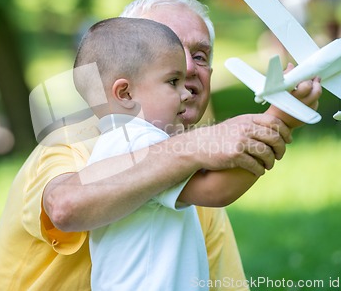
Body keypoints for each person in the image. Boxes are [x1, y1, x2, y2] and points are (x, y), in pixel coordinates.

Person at [0, 0, 321, 291]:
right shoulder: (79, 144)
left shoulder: (191, 172)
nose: (189, 69)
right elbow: (65, 207)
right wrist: (277, 120)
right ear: (123, 88)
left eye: (201, 56)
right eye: (170, 63)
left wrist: (277, 122)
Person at [74, 16, 282, 290]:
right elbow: (216, 190)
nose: (185, 94)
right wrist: (280, 117)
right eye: (173, 82)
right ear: (125, 94)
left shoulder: (113, 144)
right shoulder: (138, 140)